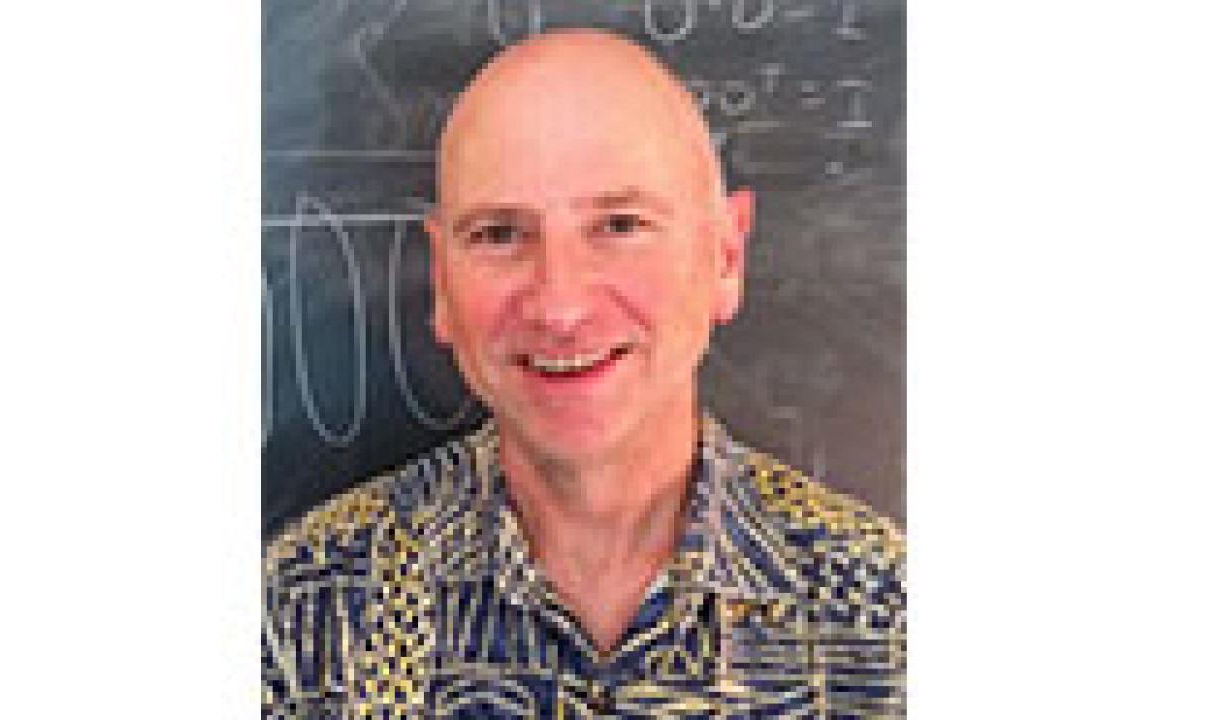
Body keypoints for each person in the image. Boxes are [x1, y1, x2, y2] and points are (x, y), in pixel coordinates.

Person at [263, 28, 904, 718]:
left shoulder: (888, 621)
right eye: (500, 234)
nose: (560, 307)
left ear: (725, 256)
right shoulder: (300, 615)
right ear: (443, 281)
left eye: (620, 225)